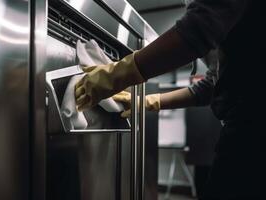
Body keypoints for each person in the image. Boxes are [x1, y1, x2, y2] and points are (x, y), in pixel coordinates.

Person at [75, 0, 262, 199]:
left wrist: (115, 75)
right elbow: (209, 86)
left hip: (254, 127)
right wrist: (149, 101)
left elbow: (198, 28)